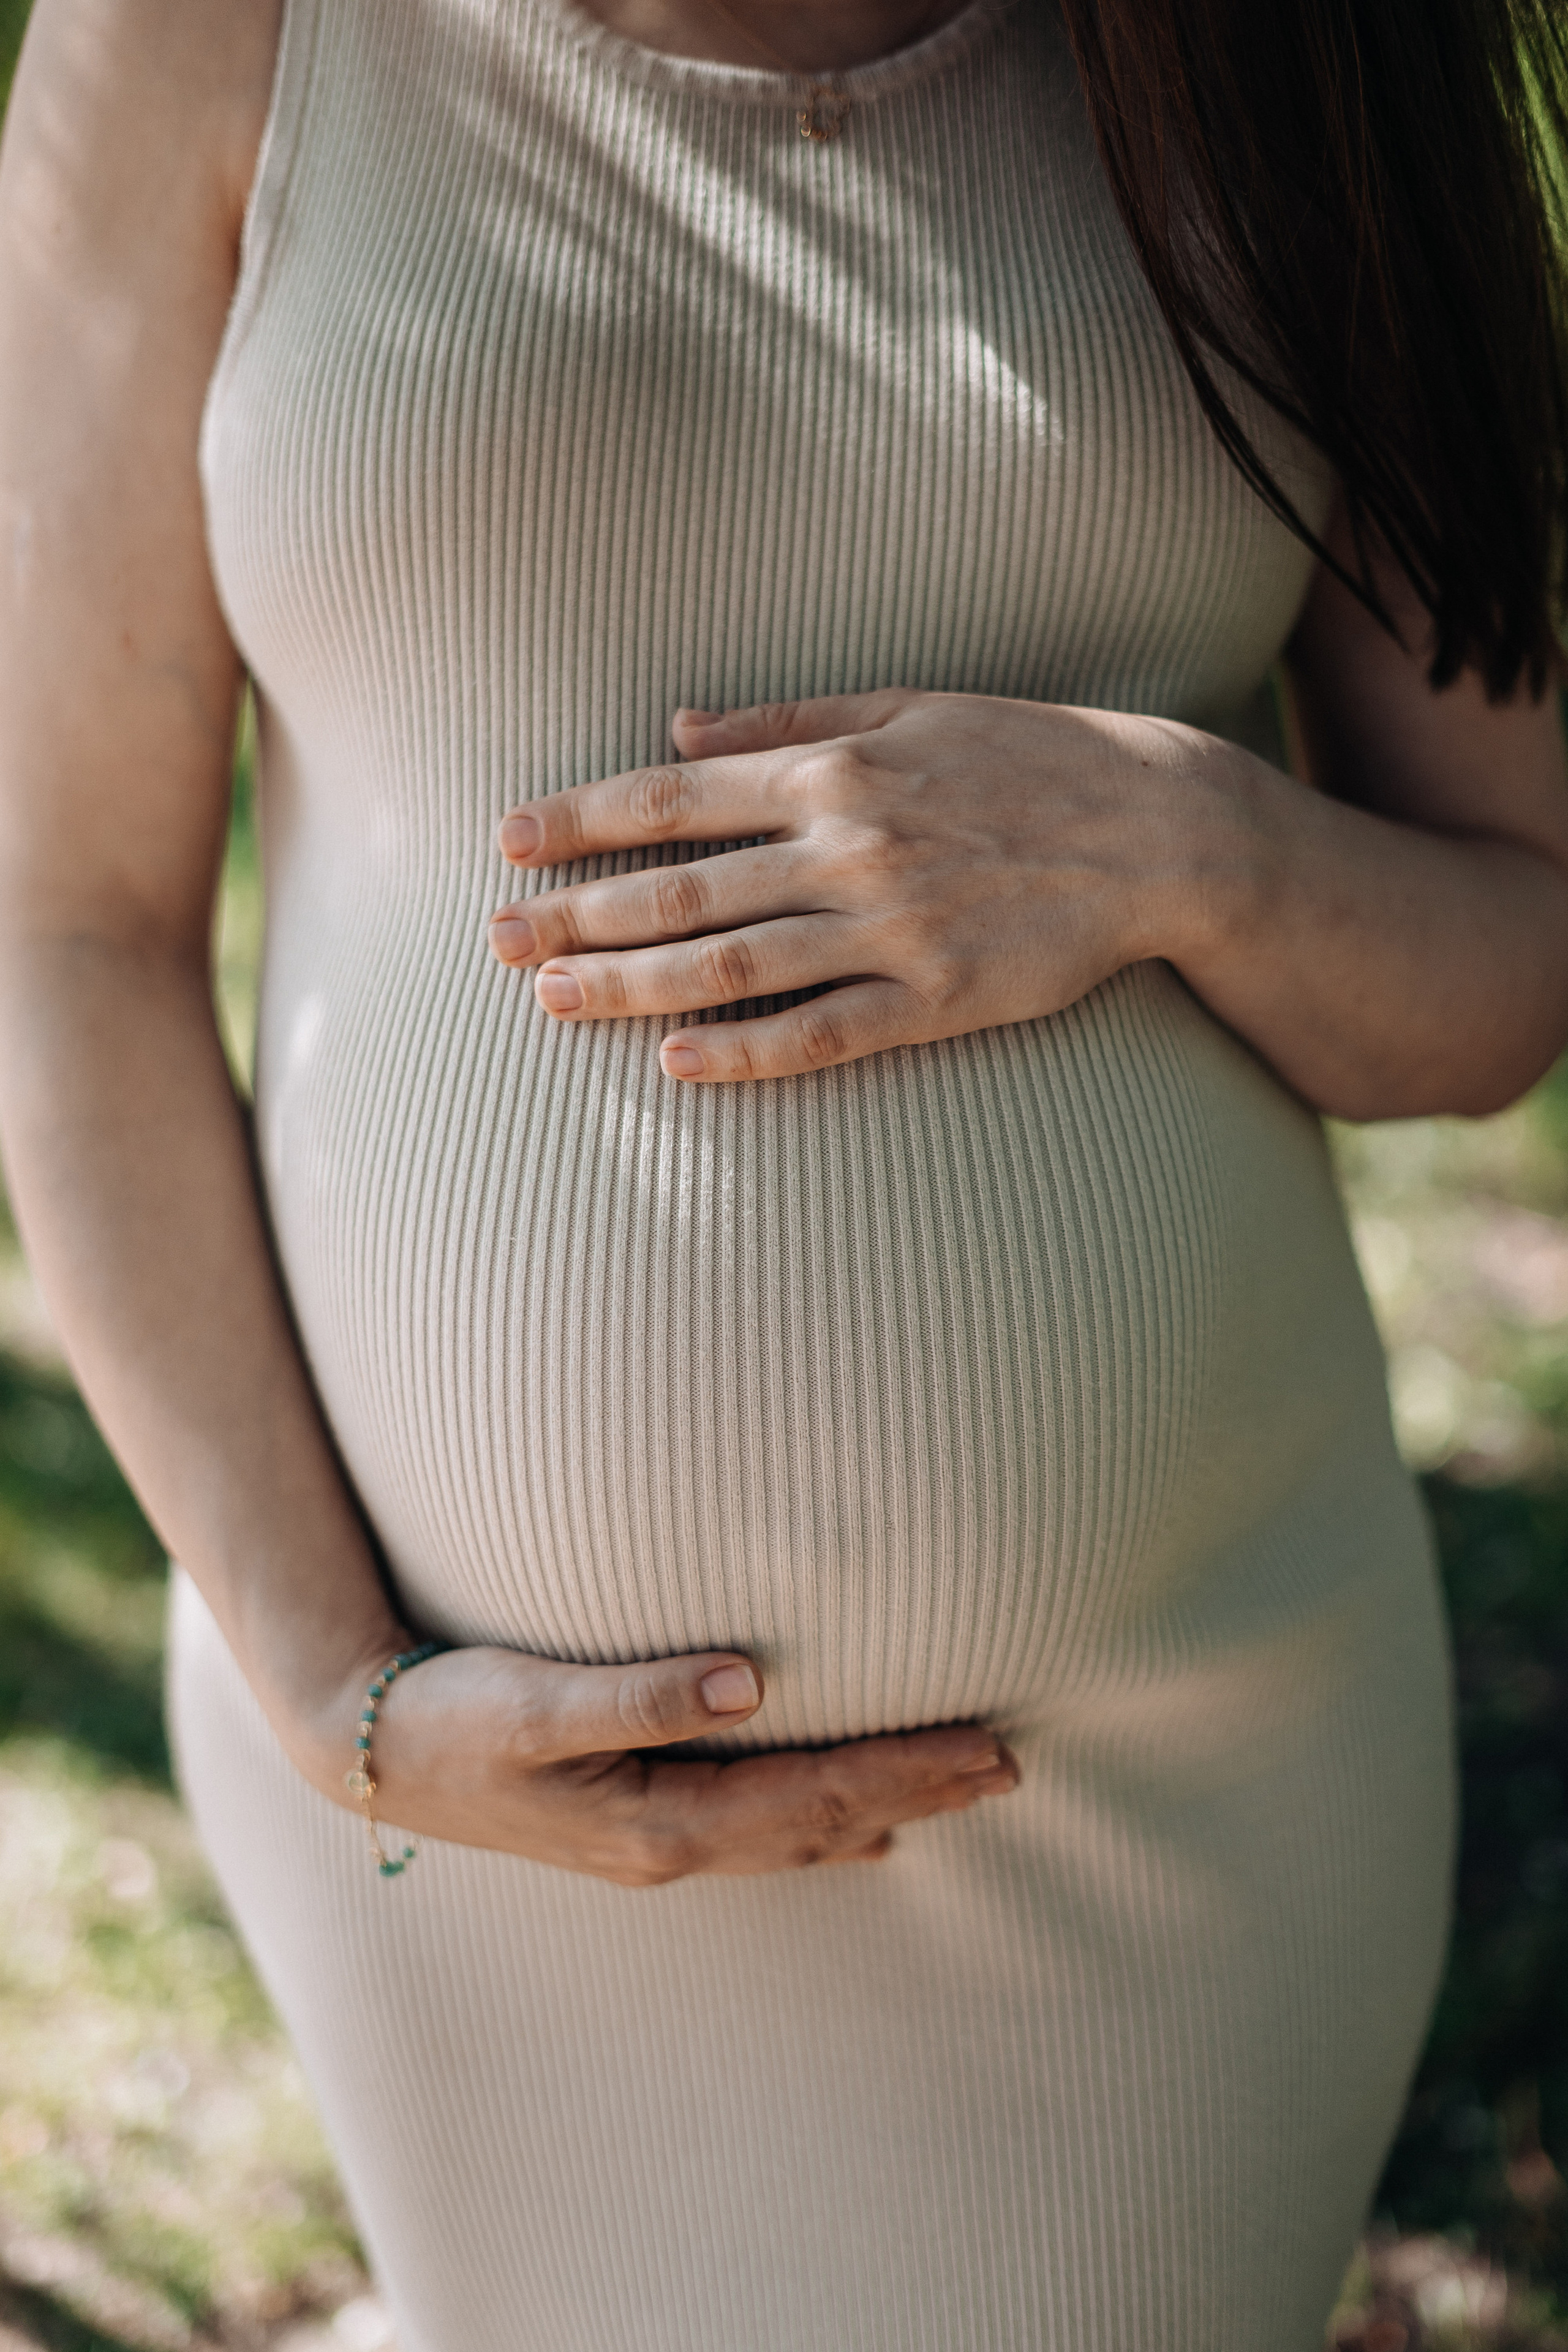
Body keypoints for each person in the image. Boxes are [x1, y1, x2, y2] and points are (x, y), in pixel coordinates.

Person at [0, 0, 1565, 2340]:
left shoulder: (1300, 49)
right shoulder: (210, 34)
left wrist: (1186, 844)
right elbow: (65, 928)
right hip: (459, 1762)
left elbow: (1511, 948)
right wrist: (345, 1693)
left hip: (1161, 1799)